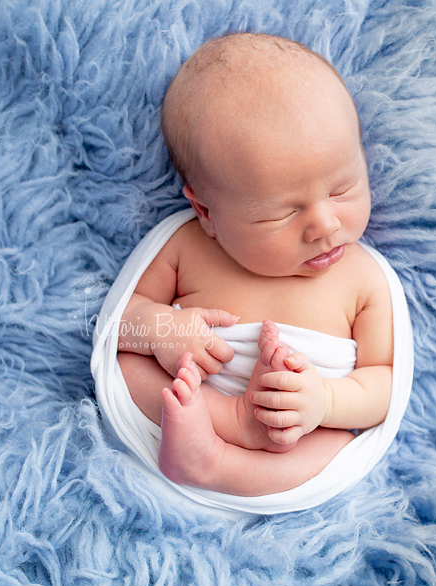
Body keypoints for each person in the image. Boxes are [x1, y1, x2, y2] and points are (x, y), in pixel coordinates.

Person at [116, 32, 394, 496]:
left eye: (343, 188)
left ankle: (214, 466)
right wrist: (162, 328)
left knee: (334, 449)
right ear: (207, 213)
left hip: (295, 432)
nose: (325, 225)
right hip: (192, 408)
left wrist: (323, 402)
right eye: (283, 213)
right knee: (129, 368)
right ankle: (221, 428)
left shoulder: (363, 279)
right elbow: (115, 326)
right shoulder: (186, 247)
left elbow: (383, 382)